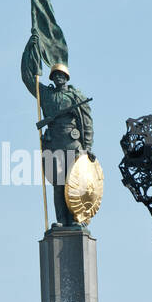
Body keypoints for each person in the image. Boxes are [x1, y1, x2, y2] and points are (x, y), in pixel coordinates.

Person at [25, 61, 94, 227]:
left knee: (75, 183)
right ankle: (62, 220)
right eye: (55, 75)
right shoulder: (46, 95)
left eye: (61, 75)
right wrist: (30, 51)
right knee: (58, 184)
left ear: (66, 77)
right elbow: (28, 78)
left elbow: (87, 123)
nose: (58, 78)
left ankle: (77, 218)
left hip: (72, 142)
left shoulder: (76, 96)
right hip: (54, 142)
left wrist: (88, 147)